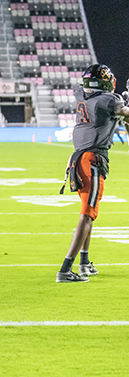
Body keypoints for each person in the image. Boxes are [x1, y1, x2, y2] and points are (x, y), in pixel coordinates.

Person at [56, 64, 129, 282]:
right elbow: (124, 112)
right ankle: (65, 269)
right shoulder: (110, 100)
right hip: (92, 160)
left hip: (77, 159)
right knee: (87, 215)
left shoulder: (81, 94)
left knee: (89, 212)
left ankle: (85, 263)